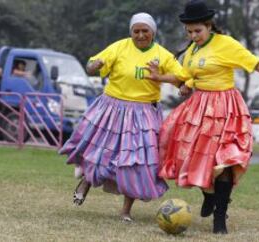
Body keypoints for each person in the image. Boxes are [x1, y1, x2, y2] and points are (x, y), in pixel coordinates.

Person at [156, 0, 259, 234]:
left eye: (197, 31)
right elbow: (187, 76)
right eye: (189, 31)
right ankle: (209, 196)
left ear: (209, 25)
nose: (193, 35)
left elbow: (255, 63)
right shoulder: (191, 50)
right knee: (193, 157)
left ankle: (220, 219)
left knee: (225, 162)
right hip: (199, 109)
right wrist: (181, 84)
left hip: (226, 109)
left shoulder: (226, 44)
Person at [59, 12, 190, 222]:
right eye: (135, 31)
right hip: (113, 109)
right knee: (102, 153)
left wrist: (180, 85)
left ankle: (126, 211)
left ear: (153, 32)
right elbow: (93, 63)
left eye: (144, 31)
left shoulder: (162, 54)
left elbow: (182, 77)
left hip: (144, 113)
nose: (140, 35)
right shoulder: (119, 47)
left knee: (136, 163)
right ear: (131, 32)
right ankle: (87, 181)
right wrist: (95, 66)